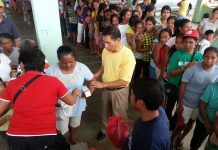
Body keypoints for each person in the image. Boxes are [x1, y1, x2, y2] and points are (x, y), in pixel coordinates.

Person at [0, 48, 80, 149]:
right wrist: (75, 93)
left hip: (16, 137)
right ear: (43, 65)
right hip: (45, 136)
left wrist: (12, 105)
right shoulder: (53, 82)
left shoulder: (12, 84)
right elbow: (71, 101)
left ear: (22, 65)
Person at [90, 25, 136, 141]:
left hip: (119, 91)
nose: (105, 46)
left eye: (108, 42)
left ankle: (122, 134)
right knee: (105, 112)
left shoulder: (128, 56)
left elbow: (125, 80)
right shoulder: (106, 50)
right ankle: (104, 130)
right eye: (104, 42)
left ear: (118, 40)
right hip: (106, 89)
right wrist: (98, 73)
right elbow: (104, 65)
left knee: (119, 115)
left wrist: (103, 85)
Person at [46, 45, 94, 144]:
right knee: (60, 126)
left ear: (75, 58)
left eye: (71, 61)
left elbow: (92, 79)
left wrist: (89, 92)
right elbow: (45, 90)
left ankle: (72, 137)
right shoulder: (51, 71)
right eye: (64, 62)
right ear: (58, 60)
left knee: (75, 122)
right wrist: (53, 102)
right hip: (60, 105)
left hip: (78, 102)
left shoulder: (81, 68)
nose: (68, 65)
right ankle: (62, 141)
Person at [172, 47, 218, 149]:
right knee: (181, 125)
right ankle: (172, 140)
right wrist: (180, 103)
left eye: (213, 58)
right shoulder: (193, 68)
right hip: (186, 103)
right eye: (206, 57)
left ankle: (180, 139)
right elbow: (183, 85)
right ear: (203, 56)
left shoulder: (217, 71)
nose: (209, 60)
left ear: (217, 59)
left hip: (201, 106)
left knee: (191, 123)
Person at [122, 78, 170, 150]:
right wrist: (131, 123)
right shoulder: (159, 110)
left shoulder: (149, 142)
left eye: (132, 94)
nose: (130, 96)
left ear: (141, 102)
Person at [165, 29, 203, 120]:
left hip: (187, 90)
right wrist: (184, 68)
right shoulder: (176, 54)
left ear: (196, 42)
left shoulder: (199, 56)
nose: (188, 45)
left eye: (191, 42)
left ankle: (173, 126)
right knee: (169, 108)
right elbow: (170, 73)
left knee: (180, 110)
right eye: (185, 42)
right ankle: (166, 124)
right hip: (174, 86)